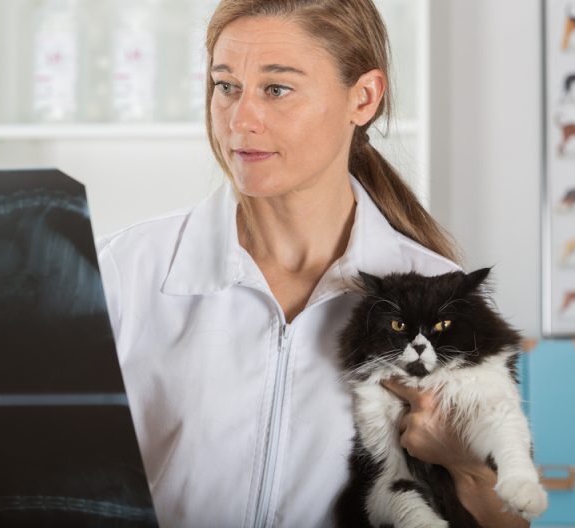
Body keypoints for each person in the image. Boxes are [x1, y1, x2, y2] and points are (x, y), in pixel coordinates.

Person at [96, 0, 531, 526]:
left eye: (276, 89)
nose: (240, 118)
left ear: (363, 98)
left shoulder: (439, 296)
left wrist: (466, 467)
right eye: (226, 86)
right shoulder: (126, 272)